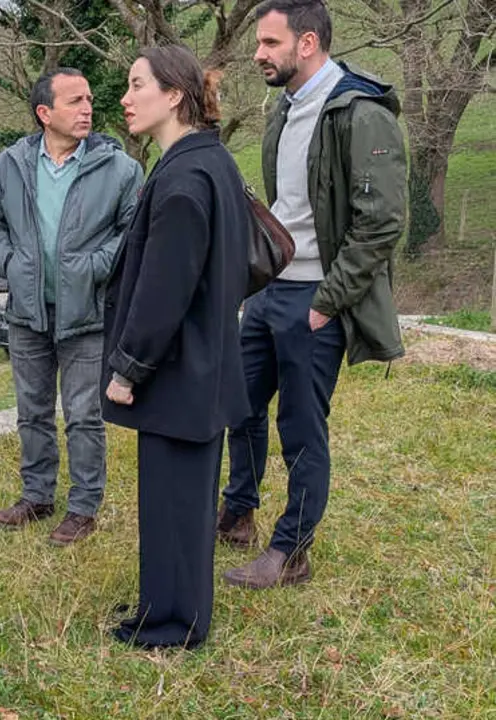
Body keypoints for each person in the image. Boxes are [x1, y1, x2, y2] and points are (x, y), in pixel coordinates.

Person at [219, 0, 407, 588]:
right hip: (271, 292)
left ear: (306, 44)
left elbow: (380, 223)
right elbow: (289, 209)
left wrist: (327, 302)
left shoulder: (358, 111)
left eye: (270, 43)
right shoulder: (285, 108)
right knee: (239, 406)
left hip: (315, 301)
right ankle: (238, 512)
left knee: (300, 427)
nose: (258, 54)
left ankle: (291, 551)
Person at [103, 45, 252, 650]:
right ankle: (162, 605)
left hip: (178, 368)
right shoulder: (208, 161)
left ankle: (173, 625)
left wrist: (128, 367)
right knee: (175, 503)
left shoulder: (186, 178)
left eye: (137, 84)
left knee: (176, 503)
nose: (125, 97)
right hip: (199, 364)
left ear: (174, 95)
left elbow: (164, 290)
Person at [0, 69, 143, 545]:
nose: (87, 109)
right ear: (44, 113)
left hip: (87, 314)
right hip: (27, 312)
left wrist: (94, 266)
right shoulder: (10, 163)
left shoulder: (119, 168)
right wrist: (10, 264)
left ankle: (83, 507)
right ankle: (37, 496)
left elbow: (133, 233)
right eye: (74, 101)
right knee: (31, 411)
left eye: (89, 99)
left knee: (83, 415)